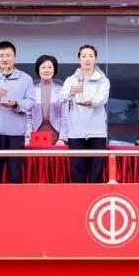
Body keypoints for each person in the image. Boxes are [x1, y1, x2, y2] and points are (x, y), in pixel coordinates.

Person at [0, 41, 35, 183]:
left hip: (16, 133)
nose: (5, 59)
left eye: (8, 55)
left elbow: (31, 102)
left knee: (15, 175)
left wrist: (16, 104)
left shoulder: (25, 78)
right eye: (1, 56)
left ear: (14, 57)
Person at [62, 45, 110, 183]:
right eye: (84, 56)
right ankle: (78, 196)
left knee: (96, 172)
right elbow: (61, 97)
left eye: (90, 56)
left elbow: (102, 99)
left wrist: (92, 102)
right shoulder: (71, 80)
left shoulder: (103, 80)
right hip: (76, 132)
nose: (87, 59)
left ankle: (96, 195)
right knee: (77, 171)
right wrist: (71, 92)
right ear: (79, 59)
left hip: (97, 132)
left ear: (96, 59)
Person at [27, 55, 69, 145]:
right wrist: (28, 138)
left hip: (57, 137)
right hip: (35, 136)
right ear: (38, 69)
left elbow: (65, 116)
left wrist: (62, 139)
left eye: (50, 67)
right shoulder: (31, 90)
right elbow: (28, 117)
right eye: (43, 67)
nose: (46, 70)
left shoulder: (62, 90)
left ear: (54, 70)